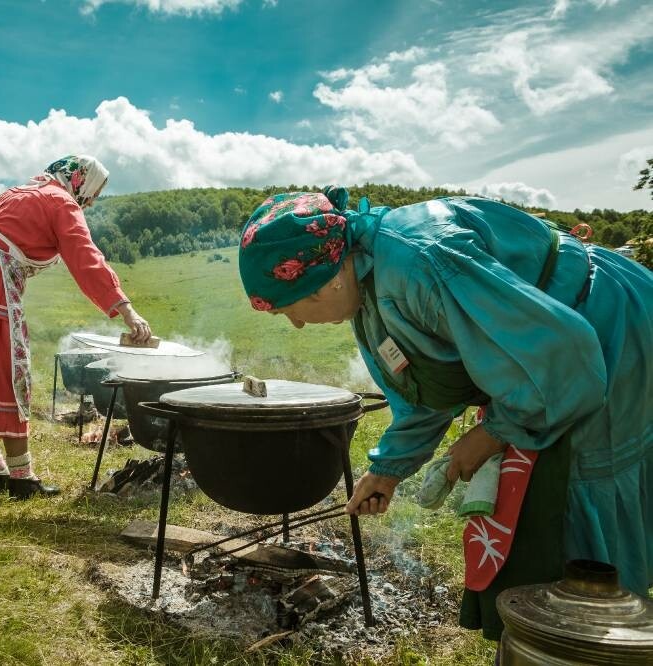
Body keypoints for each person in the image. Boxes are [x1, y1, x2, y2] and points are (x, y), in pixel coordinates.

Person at [237, 187, 652, 643]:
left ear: (325, 281)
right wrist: (388, 469)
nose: (295, 325)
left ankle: (599, 637)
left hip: (609, 331)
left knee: (578, 490)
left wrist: (493, 433)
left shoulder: (423, 261)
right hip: (550, 359)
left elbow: (566, 361)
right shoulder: (367, 292)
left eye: (288, 310)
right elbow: (426, 386)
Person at [0, 155, 152, 500]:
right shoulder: (61, 201)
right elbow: (86, 258)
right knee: (9, 370)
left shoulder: (19, 192)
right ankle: (23, 479)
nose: (93, 201)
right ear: (81, 182)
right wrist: (127, 311)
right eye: (95, 192)